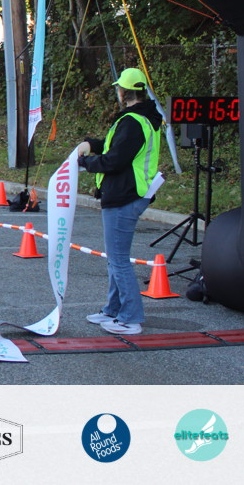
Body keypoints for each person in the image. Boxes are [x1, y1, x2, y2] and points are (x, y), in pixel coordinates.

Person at [78, 67, 162, 336]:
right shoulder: (143, 119)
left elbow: (115, 160)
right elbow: (113, 146)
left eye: (119, 88)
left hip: (124, 195)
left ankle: (130, 317)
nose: (117, 91)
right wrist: (91, 144)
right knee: (115, 259)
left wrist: (86, 163)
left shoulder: (133, 122)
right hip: (130, 193)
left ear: (124, 91)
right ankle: (113, 310)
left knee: (119, 260)